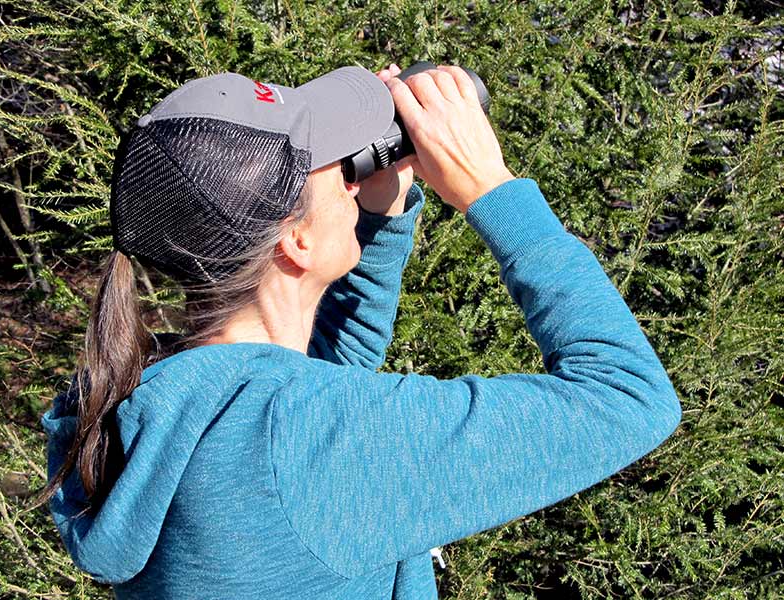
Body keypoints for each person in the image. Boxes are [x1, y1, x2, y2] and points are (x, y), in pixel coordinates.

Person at [35, 63, 681, 599]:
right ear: (293, 240)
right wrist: (492, 187)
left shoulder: (154, 407)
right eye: (329, 161)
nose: (352, 169)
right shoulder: (316, 443)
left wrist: (380, 218)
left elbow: (307, 398)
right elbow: (628, 395)